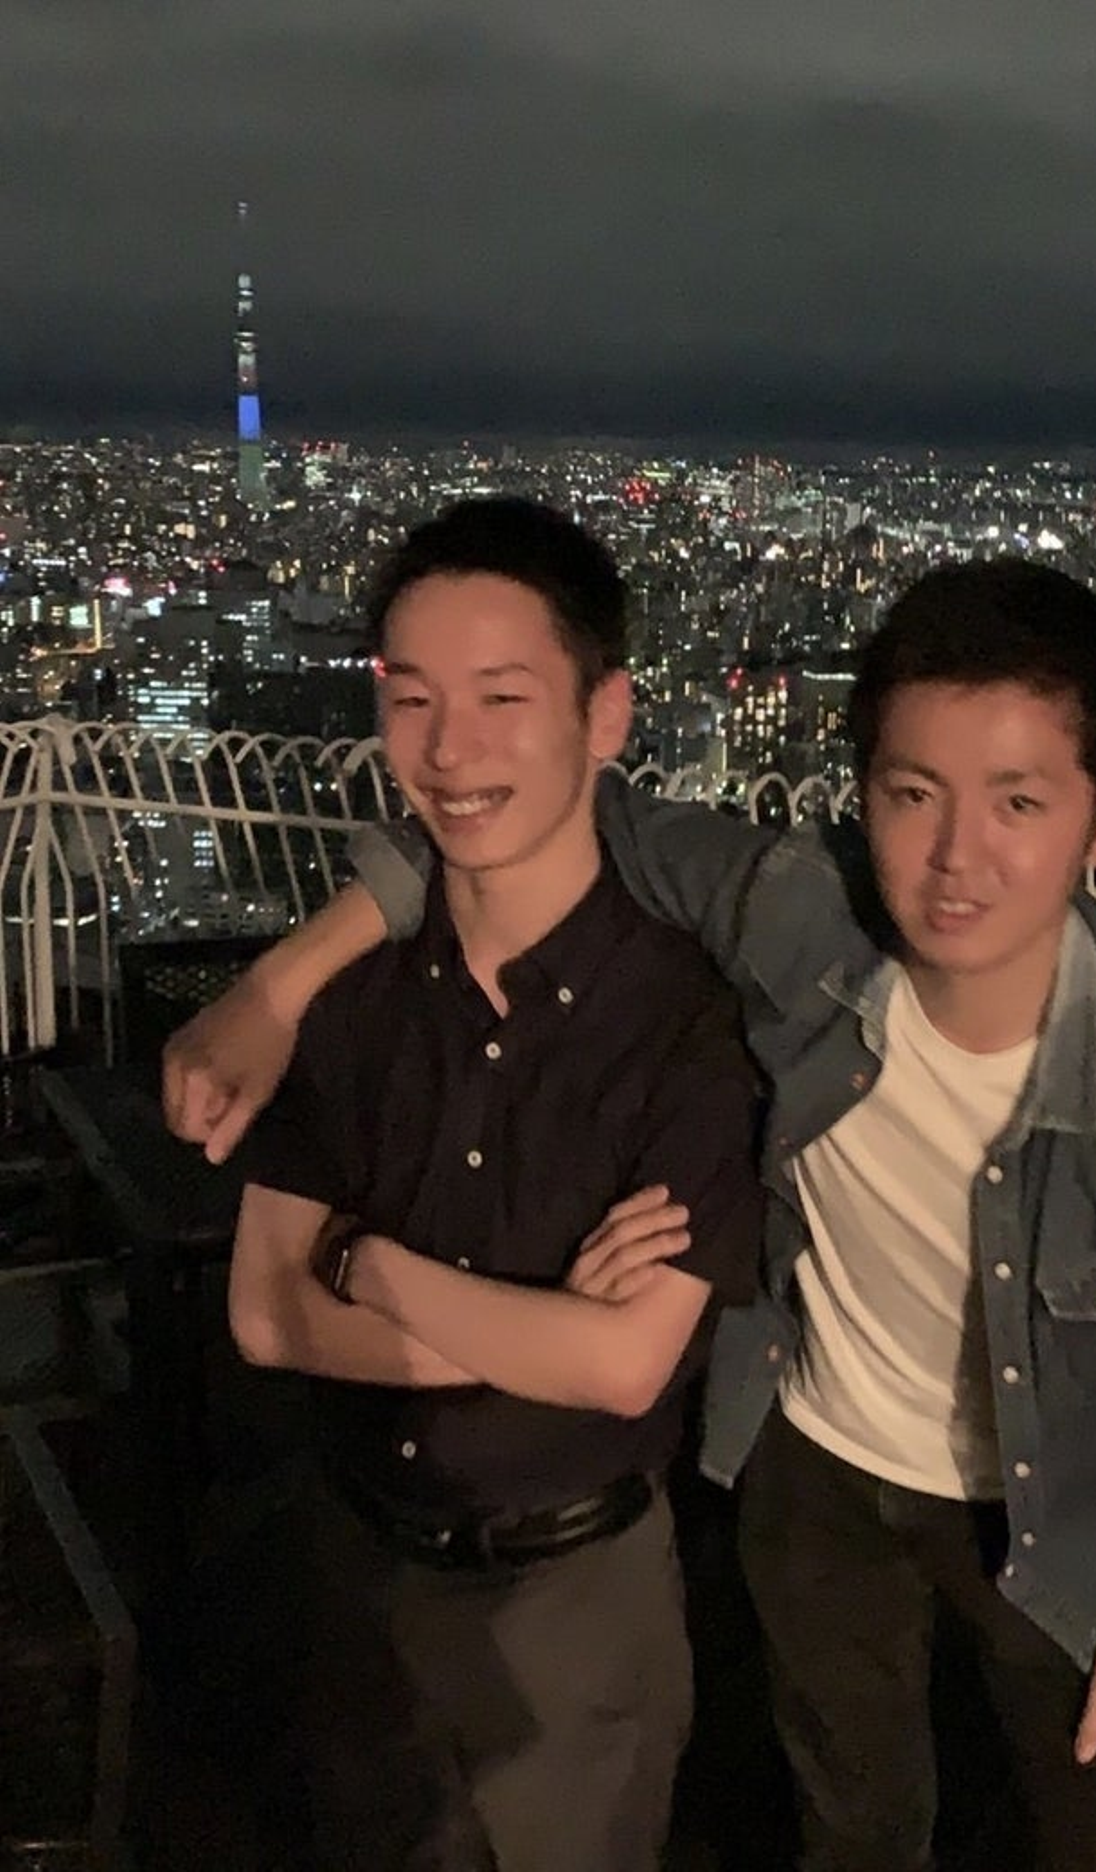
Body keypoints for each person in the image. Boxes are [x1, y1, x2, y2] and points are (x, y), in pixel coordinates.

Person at [171, 557, 1096, 1872]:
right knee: (854, 1823)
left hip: (1056, 1506)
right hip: (814, 1466)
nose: (957, 856)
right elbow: (530, 811)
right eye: (913, 794)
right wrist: (277, 988)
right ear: (861, 792)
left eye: (1020, 802)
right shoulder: (796, 913)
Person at [225, 496, 761, 1872]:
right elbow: (264, 1318)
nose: (449, 749)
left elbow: (626, 1370)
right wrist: (539, 1330)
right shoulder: (351, 1006)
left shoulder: (684, 1026)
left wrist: (368, 1265)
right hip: (360, 1581)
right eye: (412, 700)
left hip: (579, 1610)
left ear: (605, 715)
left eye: (503, 698)